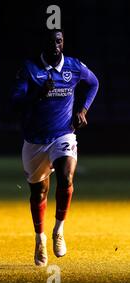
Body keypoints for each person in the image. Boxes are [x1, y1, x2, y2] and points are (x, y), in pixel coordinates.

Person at [11, 29, 99, 266]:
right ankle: (40, 240)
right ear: (43, 44)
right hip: (35, 141)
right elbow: (15, 102)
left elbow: (93, 83)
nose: (56, 45)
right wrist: (38, 94)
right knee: (38, 193)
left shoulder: (73, 67)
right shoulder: (29, 69)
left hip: (63, 135)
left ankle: (58, 231)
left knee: (66, 177)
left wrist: (83, 110)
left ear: (63, 43)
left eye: (59, 41)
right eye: (51, 41)